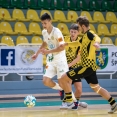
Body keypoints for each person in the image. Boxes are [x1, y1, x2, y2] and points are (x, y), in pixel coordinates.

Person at [59, 16, 117, 113]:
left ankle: (69, 102)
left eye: (78, 27)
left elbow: (96, 37)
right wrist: (66, 44)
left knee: (63, 78)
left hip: (86, 66)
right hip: (91, 67)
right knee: (96, 88)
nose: (78, 29)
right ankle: (113, 104)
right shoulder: (84, 36)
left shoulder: (89, 34)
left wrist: (98, 44)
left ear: (82, 26)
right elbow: (77, 43)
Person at [32, 13, 76, 102]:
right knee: (45, 81)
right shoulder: (44, 32)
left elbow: (62, 47)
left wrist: (48, 51)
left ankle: (74, 101)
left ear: (50, 21)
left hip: (60, 59)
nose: (44, 25)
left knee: (62, 82)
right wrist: (37, 53)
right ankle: (61, 89)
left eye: (45, 23)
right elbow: (45, 42)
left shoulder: (57, 32)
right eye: (42, 23)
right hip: (51, 59)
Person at [59, 23, 87, 109]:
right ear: (69, 32)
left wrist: (69, 65)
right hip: (65, 66)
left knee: (79, 90)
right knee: (69, 82)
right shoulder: (65, 40)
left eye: (75, 32)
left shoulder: (80, 42)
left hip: (75, 66)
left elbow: (78, 58)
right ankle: (65, 102)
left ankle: (76, 103)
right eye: (71, 32)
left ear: (78, 32)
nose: (73, 34)